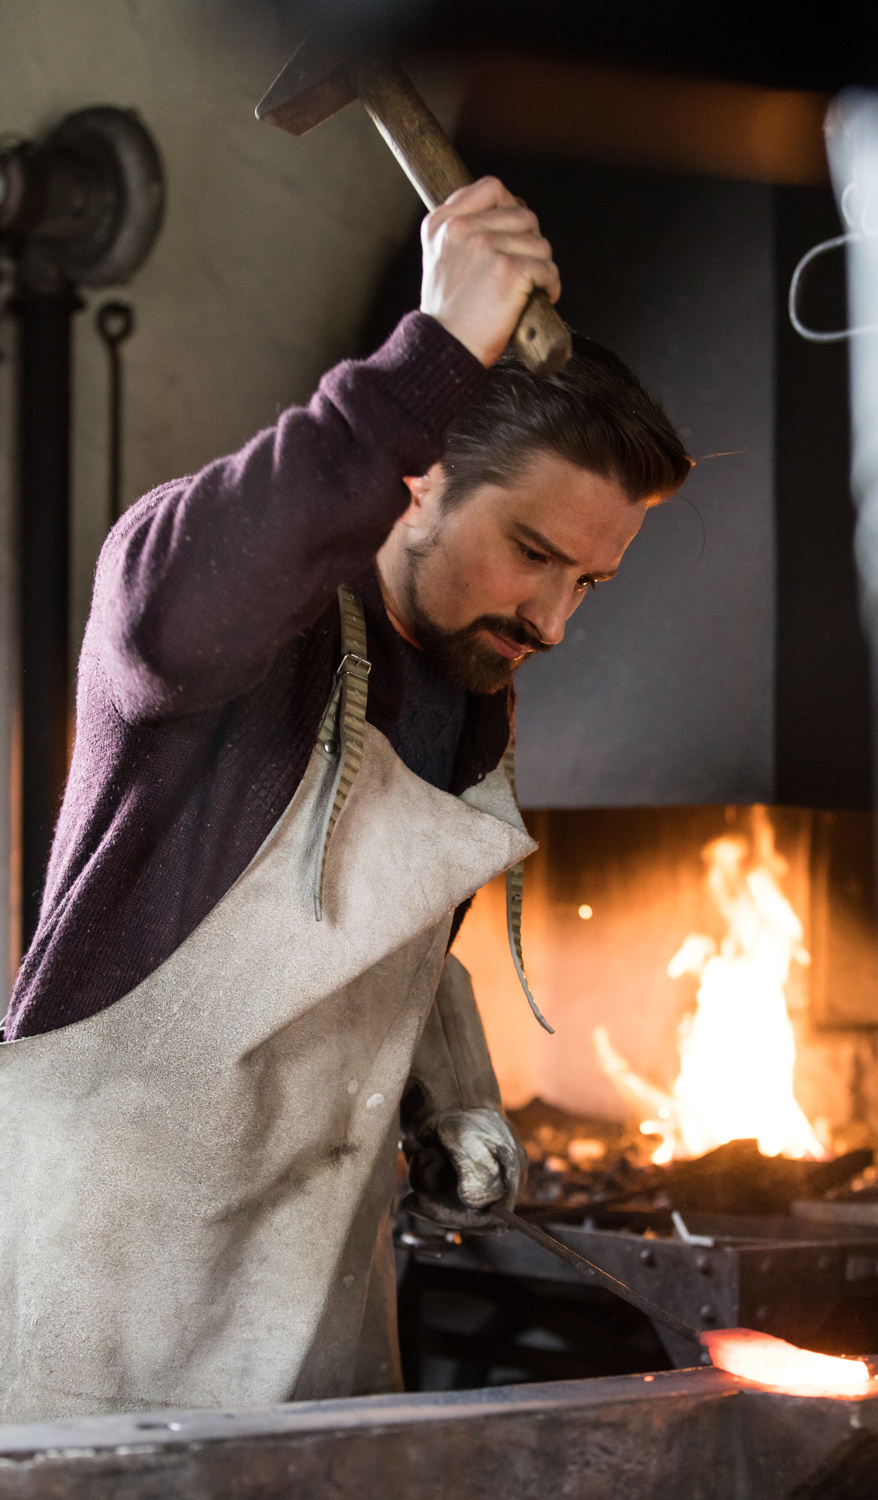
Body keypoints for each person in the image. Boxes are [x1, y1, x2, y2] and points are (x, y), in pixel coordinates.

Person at [0, 177, 691, 1421]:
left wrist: (455, 1095)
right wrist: (420, 368)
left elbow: (383, 945)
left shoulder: (474, 684)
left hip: (309, 1297)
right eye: (532, 553)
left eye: (589, 580)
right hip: (98, 1298)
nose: (552, 619)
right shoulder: (235, 635)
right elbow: (162, 604)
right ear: (416, 479)